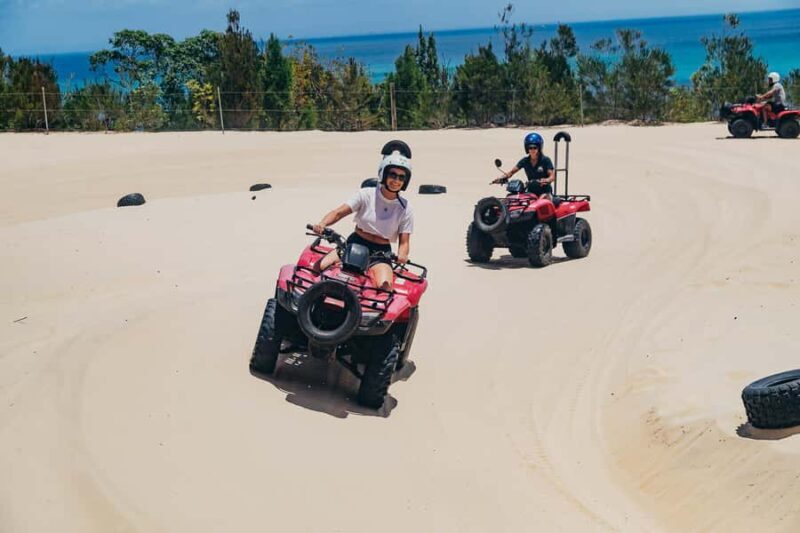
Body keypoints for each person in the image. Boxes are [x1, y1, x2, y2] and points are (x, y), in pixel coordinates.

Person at [312, 146, 414, 291]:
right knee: (320, 267)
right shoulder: (366, 194)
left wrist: (402, 255)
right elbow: (338, 212)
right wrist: (322, 223)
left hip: (381, 253)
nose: (396, 180)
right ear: (384, 174)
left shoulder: (405, 208)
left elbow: (404, 242)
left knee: (385, 287)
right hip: (354, 243)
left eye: (401, 177)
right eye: (392, 175)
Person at [491, 132, 555, 199]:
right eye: (530, 148)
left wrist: (547, 180)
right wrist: (502, 178)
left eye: (535, 147)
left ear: (539, 148)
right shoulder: (525, 161)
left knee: (543, 201)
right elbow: (511, 172)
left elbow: (552, 176)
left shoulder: (545, 160)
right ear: (527, 148)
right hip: (531, 191)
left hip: (544, 191)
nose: (532, 150)